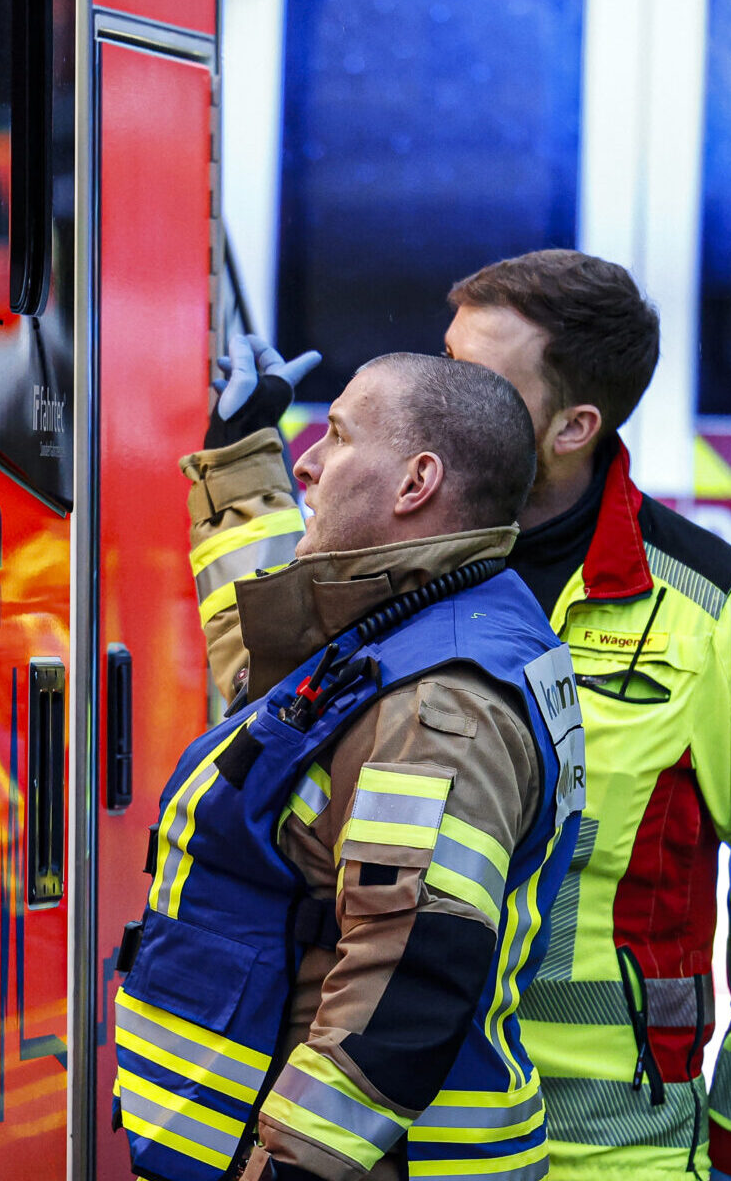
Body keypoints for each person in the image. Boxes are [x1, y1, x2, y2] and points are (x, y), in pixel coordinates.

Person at [115, 348, 589, 1181]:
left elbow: (407, 980)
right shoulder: (415, 625)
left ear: (415, 484)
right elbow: (272, 691)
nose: (309, 460)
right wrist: (239, 463)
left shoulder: (440, 711)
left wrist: (293, 1169)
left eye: (335, 436)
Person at [441, 250, 731, 1180]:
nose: (437, 401)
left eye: (475, 385)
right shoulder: (397, 568)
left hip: (605, 1150)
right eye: (442, 362)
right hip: (401, 1138)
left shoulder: (716, 611)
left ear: (573, 426)